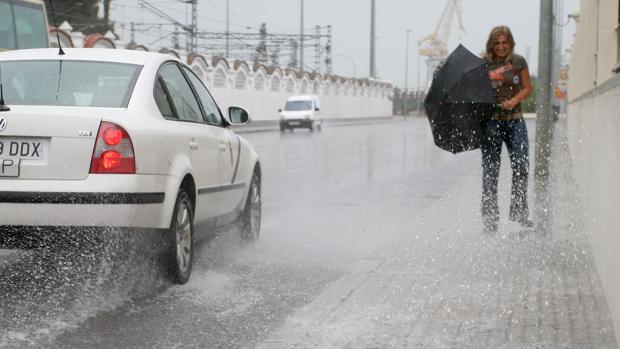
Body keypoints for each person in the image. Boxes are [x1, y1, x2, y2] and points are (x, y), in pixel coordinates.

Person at [481, 25, 533, 234]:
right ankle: (490, 218)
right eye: (497, 43)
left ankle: (520, 212)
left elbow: (528, 88)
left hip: (515, 121)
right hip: (491, 123)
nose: (501, 47)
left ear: (510, 43)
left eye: (505, 42)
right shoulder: (483, 64)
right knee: (490, 171)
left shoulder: (518, 61)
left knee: (521, 165)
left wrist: (513, 101)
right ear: (492, 45)